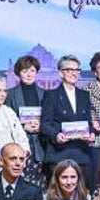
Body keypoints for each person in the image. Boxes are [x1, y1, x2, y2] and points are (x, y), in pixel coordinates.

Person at [40, 54, 96, 185]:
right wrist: (56, 135)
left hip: (81, 153)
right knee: (57, 196)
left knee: (83, 195)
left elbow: (89, 122)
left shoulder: (84, 95)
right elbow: (45, 124)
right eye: (69, 70)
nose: (74, 73)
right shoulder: (51, 95)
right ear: (61, 73)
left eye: (77, 70)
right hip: (59, 153)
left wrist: (92, 133)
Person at [3, 54, 47, 184]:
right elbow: (6, 121)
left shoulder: (45, 93)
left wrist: (41, 125)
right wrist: (23, 127)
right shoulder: (10, 94)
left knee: (40, 184)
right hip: (19, 143)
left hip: (41, 144)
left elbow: (50, 118)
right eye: (25, 71)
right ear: (18, 73)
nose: (29, 74)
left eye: (32, 71)